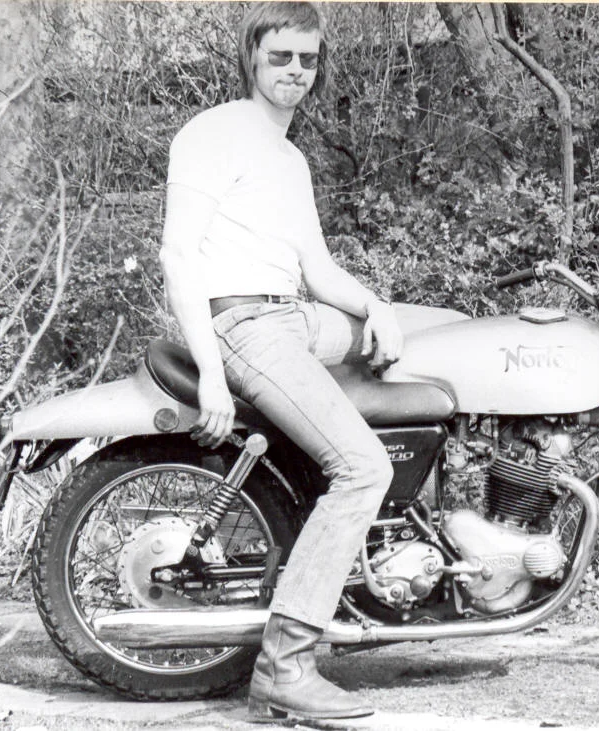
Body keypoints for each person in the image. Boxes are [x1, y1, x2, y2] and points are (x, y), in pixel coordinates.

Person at [158, 2, 398, 722]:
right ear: (251, 57)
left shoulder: (289, 157)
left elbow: (317, 270)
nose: (296, 70)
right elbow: (178, 254)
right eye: (281, 56)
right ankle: (285, 667)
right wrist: (210, 370)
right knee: (363, 468)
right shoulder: (214, 132)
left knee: (434, 336)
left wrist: (378, 307)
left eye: (308, 59)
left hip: (293, 314)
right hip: (244, 324)